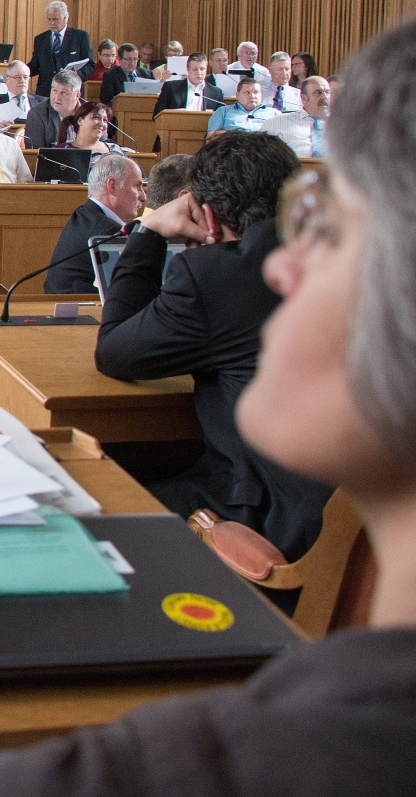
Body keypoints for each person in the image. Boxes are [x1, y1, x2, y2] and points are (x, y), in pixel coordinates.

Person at [0, 0, 416, 797]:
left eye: (332, 227)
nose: (286, 268)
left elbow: (121, 352)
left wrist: (151, 232)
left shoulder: (186, 767)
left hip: (259, 527)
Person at [96, 129, 330, 551]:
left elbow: (113, 351)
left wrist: (148, 231)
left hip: (269, 523)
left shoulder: (214, 275)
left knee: (97, 501)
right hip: (357, 522)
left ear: (208, 215)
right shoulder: (345, 255)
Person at [44, 153, 144, 294]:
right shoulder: (108, 232)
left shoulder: (85, 213)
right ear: (113, 186)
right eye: (137, 186)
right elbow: (125, 293)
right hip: (80, 310)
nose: (143, 196)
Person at [28, 0, 92, 97]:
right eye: (49, 19)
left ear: (65, 18)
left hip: (70, 91)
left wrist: (77, 75)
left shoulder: (80, 37)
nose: (52, 23)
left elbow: (90, 65)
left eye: (55, 19)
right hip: (46, 93)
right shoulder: (40, 39)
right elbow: (35, 65)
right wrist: (21, 71)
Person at [263, 75, 333, 158]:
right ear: (304, 98)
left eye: (327, 92)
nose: (324, 97)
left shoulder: (342, 124)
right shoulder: (279, 122)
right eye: (318, 92)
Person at [24, 68, 82, 149]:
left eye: (64, 93)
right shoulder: (37, 114)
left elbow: (102, 146)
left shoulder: (91, 113)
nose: (57, 97)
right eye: (54, 91)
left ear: (77, 96)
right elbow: (35, 153)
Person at [155, 52, 227, 114]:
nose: (199, 73)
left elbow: (220, 119)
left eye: (202, 69)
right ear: (188, 70)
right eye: (195, 69)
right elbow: (158, 114)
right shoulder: (171, 88)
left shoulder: (216, 93)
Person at [208, 75, 276, 133]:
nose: (252, 96)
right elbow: (211, 138)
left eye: (256, 92)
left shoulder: (274, 114)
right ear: (237, 95)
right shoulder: (223, 112)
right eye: (247, 92)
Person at [65, 99, 132, 155]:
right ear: (80, 121)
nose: (101, 124)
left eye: (105, 120)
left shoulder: (114, 150)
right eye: (96, 118)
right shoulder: (62, 151)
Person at [98, 40, 152, 105]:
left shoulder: (147, 74)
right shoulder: (110, 75)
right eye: (128, 59)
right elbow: (105, 101)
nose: (132, 63)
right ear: (120, 59)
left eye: (135, 59)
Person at [0, 60, 38, 124]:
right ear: (6, 79)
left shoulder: (42, 103)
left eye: (25, 77)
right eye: (17, 77)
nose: (22, 81)